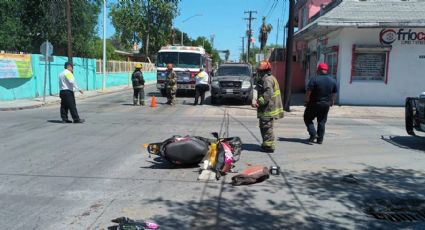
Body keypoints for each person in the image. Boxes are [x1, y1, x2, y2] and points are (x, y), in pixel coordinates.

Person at [252, 60, 284, 153]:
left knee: (266, 127)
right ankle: (267, 144)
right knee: (265, 126)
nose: (258, 72)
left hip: (268, 108)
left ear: (264, 71)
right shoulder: (269, 78)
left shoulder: (267, 80)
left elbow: (268, 93)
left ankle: (269, 146)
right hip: (269, 107)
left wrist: (259, 102)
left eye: (260, 71)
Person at [303, 62, 337, 144]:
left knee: (307, 118)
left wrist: (306, 100)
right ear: (326, 70)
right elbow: (334, 93)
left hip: (314, 103)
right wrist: (332, 101)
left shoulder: (314, 79)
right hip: (326, 104)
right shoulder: (333, 80)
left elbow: (309, 91)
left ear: (318, 70)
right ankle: (320, 139)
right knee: (321, 121)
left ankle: (313, 133)